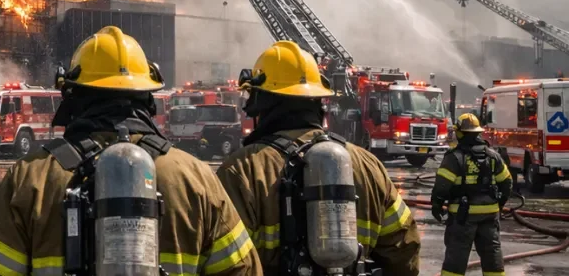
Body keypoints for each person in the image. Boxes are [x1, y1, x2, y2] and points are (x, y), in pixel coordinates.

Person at [0, 26, 258, 276]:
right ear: (148, 98)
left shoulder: (30, 179)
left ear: (73, 95)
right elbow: (243, 270)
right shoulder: (196, 178)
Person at [217, 40, 421, 275]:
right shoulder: (368, 165)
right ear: (318, 100)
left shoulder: (241, 171)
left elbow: (226, 263)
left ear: (260, 103)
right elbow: (405, 250)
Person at [431, 113, 512, 276]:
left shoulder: (454, 158)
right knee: (492, 254)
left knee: (456, 255)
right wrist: (498, 205)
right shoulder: (493, 156)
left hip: (462, 216)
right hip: (489, 215)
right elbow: (507, 183)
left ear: (460, 133)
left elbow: (441, 187)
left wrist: (436, 206)